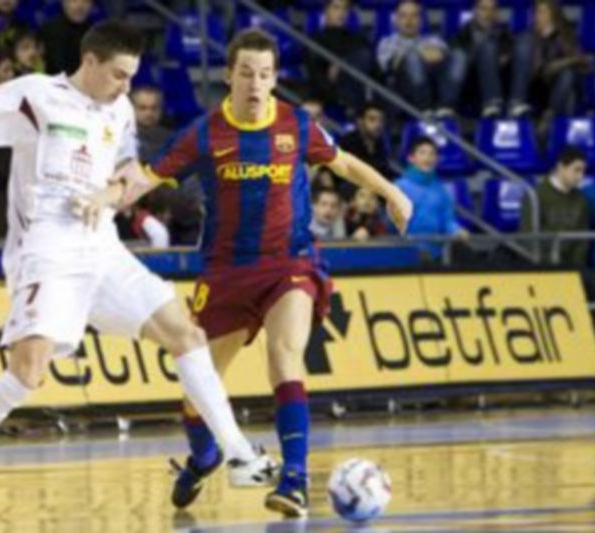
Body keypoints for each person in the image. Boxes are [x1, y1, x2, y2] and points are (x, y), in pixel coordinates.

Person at [0, 20, 275, 522]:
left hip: (102, 248)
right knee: (26, 374)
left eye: (132, 76)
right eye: (119, 75)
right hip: (47, 252)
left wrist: (110, 194)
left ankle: (237, 452)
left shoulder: (121, 109)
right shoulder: (36, 96)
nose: (127, 87)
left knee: (185, 333)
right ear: (90, 62)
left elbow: (128, 172)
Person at [144, 29, 413, 517]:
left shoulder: (296, 125)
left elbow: (346, 163)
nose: (255, 82)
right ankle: (204, 456)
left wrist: (392, 193)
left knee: (284, 352)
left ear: (274, 79)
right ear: (228, 75)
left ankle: (294, 479)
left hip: (289, 261)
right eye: (246, 72)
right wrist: (104, 199)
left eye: (265, 74)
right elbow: (150, 176)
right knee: (197, 386)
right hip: (225, 271)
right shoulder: (203, 132)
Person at [394, 136, 467, 261]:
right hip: (405, 253)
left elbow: (447, 220)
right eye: (422, 153)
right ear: (411, 158)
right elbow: (393, 224)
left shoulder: (441, 190)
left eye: (432, 154)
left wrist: (457, 230)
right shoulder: (398, 187)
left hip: (436, 254)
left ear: (436, 159)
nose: (427, 158)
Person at [520, 146, 590, 266]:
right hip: (540, 266)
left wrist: (575, 266)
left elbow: (582, 239)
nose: (580, 176)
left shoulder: (581, 199)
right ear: (561, 167)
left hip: (572, 267)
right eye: (576, 170)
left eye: (583, 171)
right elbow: (529, 235)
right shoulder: (535, 196)